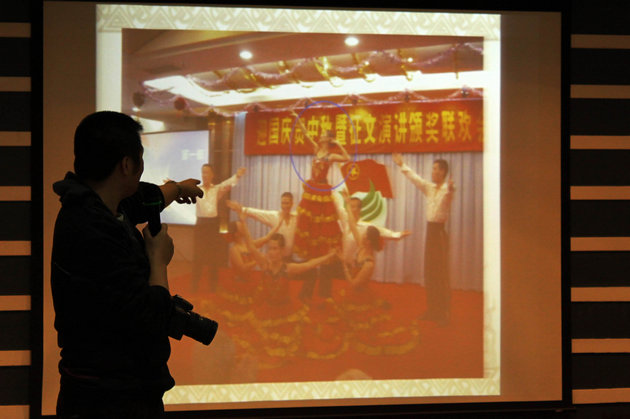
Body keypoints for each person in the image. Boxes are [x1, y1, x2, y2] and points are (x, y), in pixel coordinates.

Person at [51, 111, 204, 418]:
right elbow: (148, 316)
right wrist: (158, 259)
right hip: (113, 400)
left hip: (100, 392)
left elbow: (142, 199)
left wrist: (178, 188)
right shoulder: (94, 231)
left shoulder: (91, 206)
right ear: (126, 164)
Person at [291, 112, 350, 300]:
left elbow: (347, 158)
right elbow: (306, 134)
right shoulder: (316, 149)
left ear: (328, 139)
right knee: (310, 225)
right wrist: (297, 119)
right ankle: (310, 276)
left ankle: (323, 276)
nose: (320, 135)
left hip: (322, 190)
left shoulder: (331, 155)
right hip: (312, 189)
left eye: (324, 134)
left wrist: (338, 143)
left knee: (322, 227)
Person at [392, 153, 455, 326]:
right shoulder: (429, 187)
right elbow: (416, 179)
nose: (432, 172)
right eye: (432, 169)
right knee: (430, 273)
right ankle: (432, 310)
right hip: (430, 232)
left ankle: (444, 313)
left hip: (439, 233)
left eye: (435, 169)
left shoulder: (446, 190)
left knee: (441, 275)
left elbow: (450, 194)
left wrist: (451, 188)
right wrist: (402, 165)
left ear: (442, 172)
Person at [192, 163, 246, 292]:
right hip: (200, 225)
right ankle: (194, 286)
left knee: (213, 256)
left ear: (212, 175)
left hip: (213, 225)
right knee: (198, 256)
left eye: (207, 172)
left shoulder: (216, 189)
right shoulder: (196, 189)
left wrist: (237, 176)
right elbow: (182, 189)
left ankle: (213, 286)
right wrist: (171, 184)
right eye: (203, 172)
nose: (204, 175)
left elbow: (227, 183)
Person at [334, 193, 411, 270]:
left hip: (354, 266)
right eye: (349, 206)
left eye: (352, 207)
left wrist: (397, 235)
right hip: (342, 263)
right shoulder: (345, 219)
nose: (349, 209)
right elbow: (338, 206)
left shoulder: (366, 227)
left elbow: (383, 232)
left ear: (359, 209)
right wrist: (331, 191)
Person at [226, 191, 297, 261]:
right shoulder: (274, 216)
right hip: (277, 259)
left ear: (292, 204)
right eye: (283, 203)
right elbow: (257, 213)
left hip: (290, 258)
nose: (284, 206)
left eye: (287, 203)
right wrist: (240, 209)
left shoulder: (296, 218)